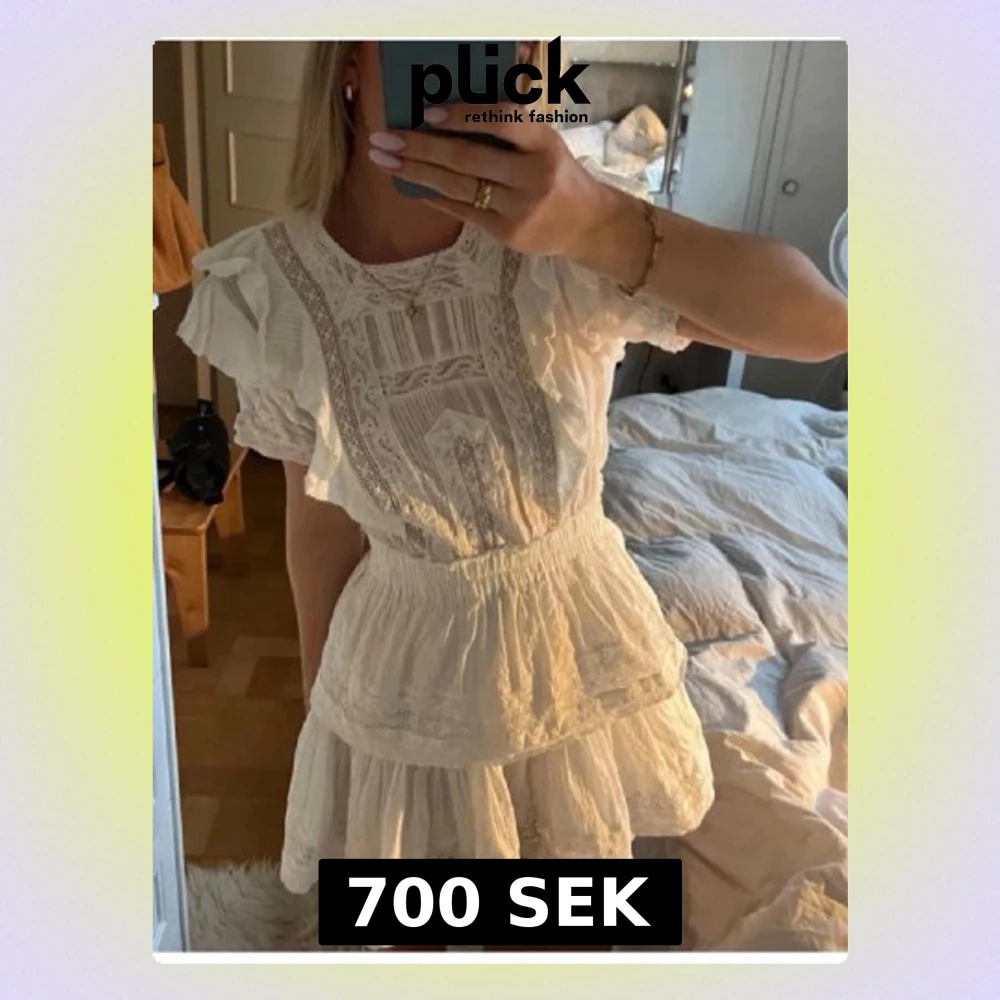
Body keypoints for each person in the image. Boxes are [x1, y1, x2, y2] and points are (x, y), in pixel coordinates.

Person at [177, 40, 846, 906]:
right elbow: (321, 518)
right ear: (350, 60)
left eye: (505, 44)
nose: (473, 62)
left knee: (558, 924)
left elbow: (822, 325)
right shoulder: (266, 286)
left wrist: (599, 223)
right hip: (399, 668)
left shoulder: (570, 238)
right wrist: (323, 708)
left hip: (573, 648)